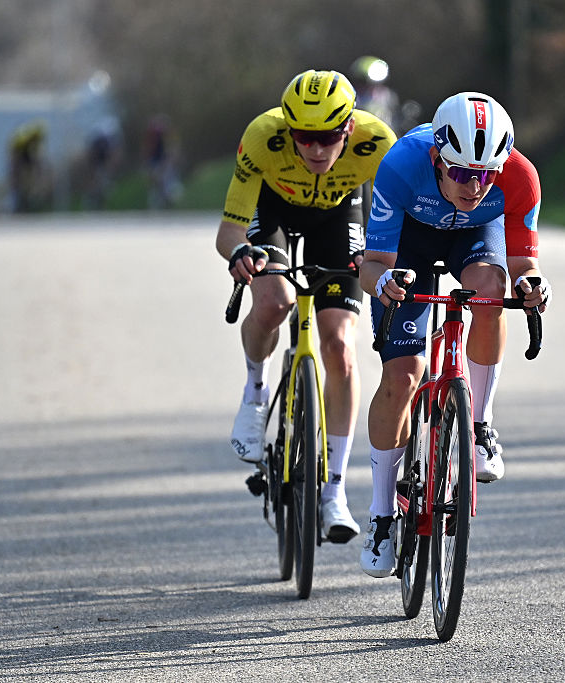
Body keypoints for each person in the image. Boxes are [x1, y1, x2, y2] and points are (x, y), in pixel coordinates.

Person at [358, 92, 551, 577]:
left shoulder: (520, 178)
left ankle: (480, 426)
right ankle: (382, 513)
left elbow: (525, 262)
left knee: (492, 288)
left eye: (486, 174)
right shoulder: (401, 165)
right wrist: (384, 283)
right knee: (403, 377)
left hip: (474, 238)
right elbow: (373, 264)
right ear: (436, 158)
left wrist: (533, 284)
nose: (475, 186)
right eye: (462, 173)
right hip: (411, 243)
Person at [216, 69, 397, 544]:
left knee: (339, 345)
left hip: (339, 215)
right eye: (304, 138)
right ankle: (256, 393)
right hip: (273, 211)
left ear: (350, 130)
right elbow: (230, 230)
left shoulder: (378, 143)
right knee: (274, 301)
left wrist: (378, 262)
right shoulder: (262, 137)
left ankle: (334, 491)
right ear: (288, 130)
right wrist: (240, 253)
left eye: (328, 139)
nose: (316, 151)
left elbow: (395, 224)